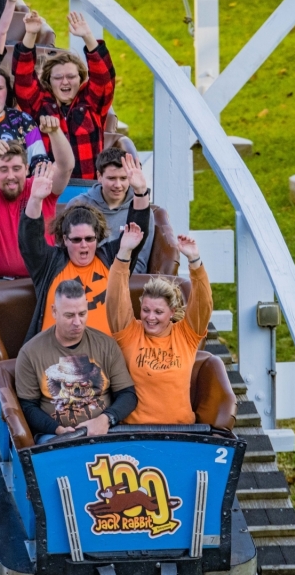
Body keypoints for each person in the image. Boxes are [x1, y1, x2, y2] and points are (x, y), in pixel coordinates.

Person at [19, 154, 150, 340]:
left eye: (90, 239)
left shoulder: (112, 258)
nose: (84, 246)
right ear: (65, 239)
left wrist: (140, 191)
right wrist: (35, 199)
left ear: (98, 238)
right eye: (76, 240)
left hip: (106, 358)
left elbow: (138, 230)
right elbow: (29, 240)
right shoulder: (49, 263)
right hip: (57, 357)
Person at [106, 224, 211, 425]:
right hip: (136, 432)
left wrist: (195, 261)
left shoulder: (186, 335)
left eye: (159, 312)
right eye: (146, 310)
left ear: (172, 312)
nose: (150, 317)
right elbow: (115, 297)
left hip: (180, 431)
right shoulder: (130, 333)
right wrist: (124, 252)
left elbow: (203, 304)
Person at [15, 279, 137, 438]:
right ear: (54, 312)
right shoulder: (30, 352)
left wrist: (106, 419)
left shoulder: (106, 345)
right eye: (69, 315)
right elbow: (28, 407)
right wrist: (58, 430)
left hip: (105, 431)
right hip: (54, 435)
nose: (77, 322)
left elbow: (128, 394)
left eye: (82, 314)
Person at [0, 115, 73, 280]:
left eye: (16, 168)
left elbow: (66, 167)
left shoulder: (39, 186)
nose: (11, 176)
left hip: (46, 276)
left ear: (27, 169)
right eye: (4, 169)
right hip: (0, 283)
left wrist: (55, 132)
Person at [14, 11, 114, 179]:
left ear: (80, 78)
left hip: (87, 188)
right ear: (49, 81)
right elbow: (23, 78)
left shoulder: (92, 103)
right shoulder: (39, 104)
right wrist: (31, 34)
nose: (65, 82)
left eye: (71, 77)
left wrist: (88, 37)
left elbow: (104, 78)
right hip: (48, 189)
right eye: (58, 77)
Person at [68, 147, 153, 273]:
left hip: (124, 279)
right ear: (99, 176)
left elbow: (140, 262)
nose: (118, 185)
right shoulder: (77, 205)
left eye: (124, 178)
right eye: (112, 178)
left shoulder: (142, 212)